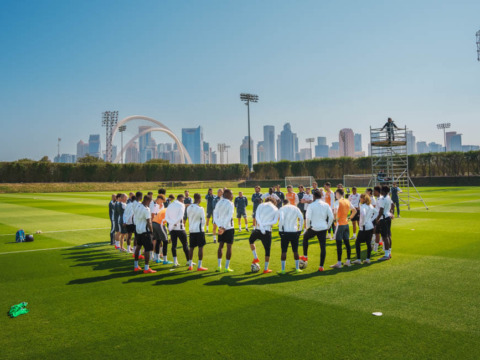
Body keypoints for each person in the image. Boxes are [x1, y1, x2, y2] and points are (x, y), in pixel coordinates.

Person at [300, 189, 333, 272]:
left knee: (305, 237)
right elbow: (331, 217)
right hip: (323, 228)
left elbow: (308, 218)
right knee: (323, 247)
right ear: (321, 196)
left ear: (314, 196)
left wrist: (307, 227)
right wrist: (328, 226)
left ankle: (305, 256)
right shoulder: (326, 205)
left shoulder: (311, 205)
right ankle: (321, 266)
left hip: (314, 228)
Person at [249, 197, 278, 274]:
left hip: (258, 229)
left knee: (251, 240)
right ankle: (265, 269)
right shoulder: (275, 208)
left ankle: (255, 258)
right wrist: (264, 226)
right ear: (274, 202)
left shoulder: (261, 205)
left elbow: (257, 217)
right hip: (267, 231)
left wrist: (261, 226)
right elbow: (274, 221)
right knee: (267, 250)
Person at [330, 188, 357, 269]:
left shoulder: (337, 202)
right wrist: (349, 218)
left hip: (339, 224)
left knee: (339, 243)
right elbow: (354, 210)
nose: (335, 195)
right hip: (346, 224)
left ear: (338, 193)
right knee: (347, 242)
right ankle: (348, 261)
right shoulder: (347, 201)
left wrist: (335, 219)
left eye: (335, 194)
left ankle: (339, 263)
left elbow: (335, 211)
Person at [277, 199, 304, 274]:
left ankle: (283, 270)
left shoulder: (282, 208)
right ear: (289, 203)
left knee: (284, 251)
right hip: (294, 232)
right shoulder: (295, 208)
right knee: (295, 250)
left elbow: (281, 219)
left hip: (285, 232)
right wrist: (300, 229)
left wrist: (280, 230)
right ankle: (297, 268)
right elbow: (301, 218)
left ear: (283, 203)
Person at [165, 194, 190, 267]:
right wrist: (174, 223)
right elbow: (180, 217)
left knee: (174, 245)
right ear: (181, 199)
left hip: (172, 228)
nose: (183, 201)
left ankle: (175, 262)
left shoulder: (170, 205)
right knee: (185, 244)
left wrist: (172, 224)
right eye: (183, 200)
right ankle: (188, 261)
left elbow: (166, 217)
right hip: (180, 228)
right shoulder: (181, 205)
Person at [133, 194, 156, 274]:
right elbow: (149, 222)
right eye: (150, 201)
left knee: (138, 247)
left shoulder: (137, 206)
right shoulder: (146, 209)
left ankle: (136, 266)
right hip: (145, 232)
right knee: (147, 249)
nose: (150, 203)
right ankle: (146, 268)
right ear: (147, 201)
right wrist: (152, 232)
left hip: (138, 230)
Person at [213, 189, 235, 273]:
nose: (232, 196)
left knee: (220, 246)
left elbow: (215, 215)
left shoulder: (219, 202)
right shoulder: (230, 203)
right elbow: (230, 216)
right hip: (228, 227)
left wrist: (220, 226)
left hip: (220, 227)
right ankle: (226, 267)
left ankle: (219, 266)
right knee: (229, 247)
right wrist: (224, 227)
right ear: (227, 195)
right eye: (231, 194)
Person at [187, 193, 208, 271]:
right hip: (199, 230)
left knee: (191, 248)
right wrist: (202, 227)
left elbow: (188, 217)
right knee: (200, 247)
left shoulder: (189, 207)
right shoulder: (200, 208)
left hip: (191, 230)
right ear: (199, 199)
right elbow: (204, 220)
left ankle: (190, 265)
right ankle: (199, 266)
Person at [353, 194, 376, 265]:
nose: (359, 199)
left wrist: (362, 223)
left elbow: (363, 214)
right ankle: (368, 259)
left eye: (360, 198)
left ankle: (359, 259)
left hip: (364, 227)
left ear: (363, 199)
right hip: (370, 226)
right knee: (368, 242)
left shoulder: (363, 206)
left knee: (357, 242)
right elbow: (377, 213)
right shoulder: (370, 205)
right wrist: (370, 220)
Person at [152, 195, 172, 264]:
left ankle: (157, 258)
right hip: (158, 223)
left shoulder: (165, 208)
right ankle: (165, 260)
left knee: (158, 240)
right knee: (165, 241)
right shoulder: (170, 211)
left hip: (154, 223)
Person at [376, 185, 394, 261]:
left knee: (385, 237)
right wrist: (391, 212)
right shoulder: (389, 197)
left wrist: (377, 219)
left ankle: (386, 255)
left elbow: (381, 210)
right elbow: (392, 205)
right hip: (388, 217)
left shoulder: (383, 199)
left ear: (383, 191)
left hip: (384, 218)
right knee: (389, 235)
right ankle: (389, 253)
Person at [132, 191, 145, 260]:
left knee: (136, 238)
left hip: (135, 222)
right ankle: (137, 253)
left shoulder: (134, 203)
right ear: (140, 197)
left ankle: (135, 252)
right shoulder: (137, 204)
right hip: (138, 222)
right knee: (138, 239)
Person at [372, 185, 383, 254]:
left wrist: (377, 218)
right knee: (377, 232)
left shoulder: (381, 198)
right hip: (379, 218)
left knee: (379, 233)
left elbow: (381, 210)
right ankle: (376, 248)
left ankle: (378, 249)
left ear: (377, 191)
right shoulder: (378, 198)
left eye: (374, 191)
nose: (373, 193)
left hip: (381, 218)